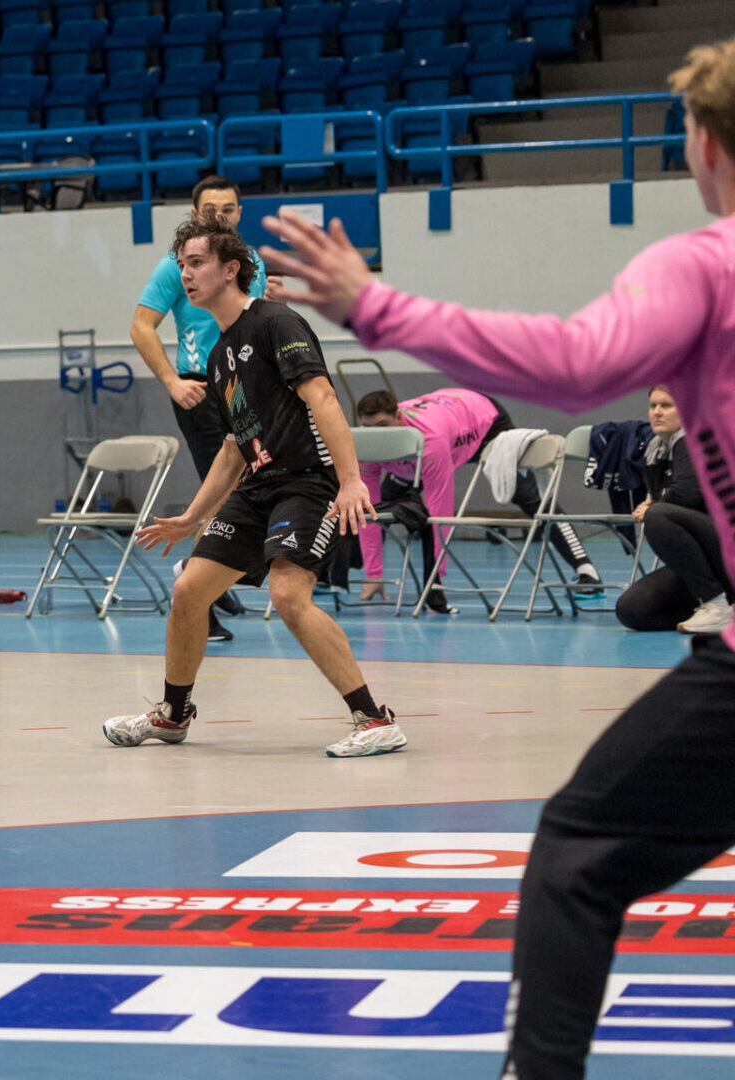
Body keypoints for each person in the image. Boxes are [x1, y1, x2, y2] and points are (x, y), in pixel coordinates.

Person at [259, 36, 735, 1078]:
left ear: (703, 145)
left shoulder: (706, 264)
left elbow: (575, 365)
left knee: (577, 850)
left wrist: (375, 305)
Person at [104, 218, 405, 759]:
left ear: (231, 269)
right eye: (182, 266)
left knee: (288, 594)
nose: (185, 275)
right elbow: (231, 449)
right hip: (257, 485)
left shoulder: (276, 323)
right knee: (189, 590)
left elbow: (323, 398)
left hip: (307, 483)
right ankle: (173, 715)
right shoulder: (218, 357)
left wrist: (350, 480)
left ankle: (374, 719)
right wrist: (192, 517)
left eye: (196, 264)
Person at [130, 175, 274, 643]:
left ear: (240, 213)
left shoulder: (251, 262)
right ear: (195, 215)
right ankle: (197, 593)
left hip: (246, 388)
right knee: (223, 493)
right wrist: (173, 382)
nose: (220, 217)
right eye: (211, 211)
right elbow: (141, 326)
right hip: (201, 389)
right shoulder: (175, 267)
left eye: (228, 210)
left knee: (248, 489)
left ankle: (211, 576)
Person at [354, 387, 603, 611]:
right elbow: (368, 508)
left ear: (398, 417)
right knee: (382, 505)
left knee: (529, 496)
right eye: (369, 428)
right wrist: (374, 574)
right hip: (430, 438)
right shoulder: (368, 442)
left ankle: (586, 570)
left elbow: (440, 513)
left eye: (383, 426)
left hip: (484, 423)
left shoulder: (431, 441)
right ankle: (344, 572)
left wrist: (435, 582)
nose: (376, 435)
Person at [615, 386, 731, 633]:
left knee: (657, 516)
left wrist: (654, 506)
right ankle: (724, 608)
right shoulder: (656, 449)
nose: (657, 412)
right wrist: (654, 502)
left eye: (666, 405)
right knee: (633, 610)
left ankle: (716, 604)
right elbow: (669, 495)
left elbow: (689, 493)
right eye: (653, 406)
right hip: (708, 560)